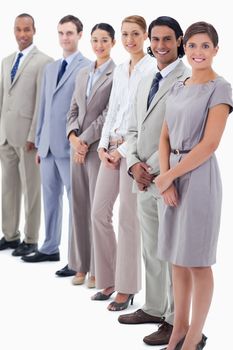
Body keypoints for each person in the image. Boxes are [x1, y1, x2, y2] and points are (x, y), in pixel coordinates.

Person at [155, 21, 232, 350]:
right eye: (192, 46)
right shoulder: (178, 86)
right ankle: (178, 329)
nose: (198, 52)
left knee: (197, 260)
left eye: (205, 46)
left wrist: (170, 175)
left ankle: (195, 335)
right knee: (176, 257)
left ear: (216, 49)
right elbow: (164, 137)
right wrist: (165, 178)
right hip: (171, 174)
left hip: (199, 177)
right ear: (184, 48)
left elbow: (210, 143)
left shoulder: (221, 87)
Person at [119, 16, 190, 346]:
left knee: (173, 250)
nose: (160, 45)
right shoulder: (145, 76)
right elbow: (132, 128)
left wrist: (159, 173)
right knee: (151, 248)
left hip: (168, 179)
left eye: (168, 39)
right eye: (156, 39)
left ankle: (175, 319)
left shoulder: (187, 79)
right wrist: (134, 165)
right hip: (142, 178)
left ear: (179, 41)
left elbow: (185, 136)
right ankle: (154, 306)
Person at [91, 15, 155, 311]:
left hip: (133, 151)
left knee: (129, 221)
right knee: (99, 212)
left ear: (145, 36)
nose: (129, 40)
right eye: (125, 34)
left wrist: (124, 150)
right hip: (111, 147)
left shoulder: (152, 70)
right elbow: (113, 108)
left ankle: (127, 288)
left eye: (135, 34)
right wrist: (104, 145)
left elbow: (146, 120)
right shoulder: (119, 69)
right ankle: (109, 278)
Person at [22, 16, 90, 275]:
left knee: (76, 203)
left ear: (79, 34)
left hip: (70, 147)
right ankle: (50, 247)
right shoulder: (50, 68)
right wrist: (40, 143)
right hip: (48, 147)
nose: (65, 38)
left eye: (70, 33)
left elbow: (84, 110)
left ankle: (76, 260)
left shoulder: (86, 66)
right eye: (61, 33)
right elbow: (43, 107)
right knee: (50, 200)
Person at [66, 23, 116, 288]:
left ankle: (98, 269)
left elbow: (107, 115)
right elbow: (72, 110)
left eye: (104, 40)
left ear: (113, 42)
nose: (99, 45)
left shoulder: (117, 74)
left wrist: (84, 141)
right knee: (79, 206)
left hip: (97, 149)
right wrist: (73, 138)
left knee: (98, 210)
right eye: (95, 40)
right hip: (77, 150)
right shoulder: (83, 73)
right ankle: (81, 266)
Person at [0, 13, 53, 256]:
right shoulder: (6, 60)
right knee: (9, 188)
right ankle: (10, 235)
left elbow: (42, 103)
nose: (22, 34)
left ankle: (31, 239)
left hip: (28, 137)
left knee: (31, 189)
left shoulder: (44, 62)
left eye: (27, 30)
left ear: (34, 30)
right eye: (18, 29)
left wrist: (35, 134)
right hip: (5, 136)